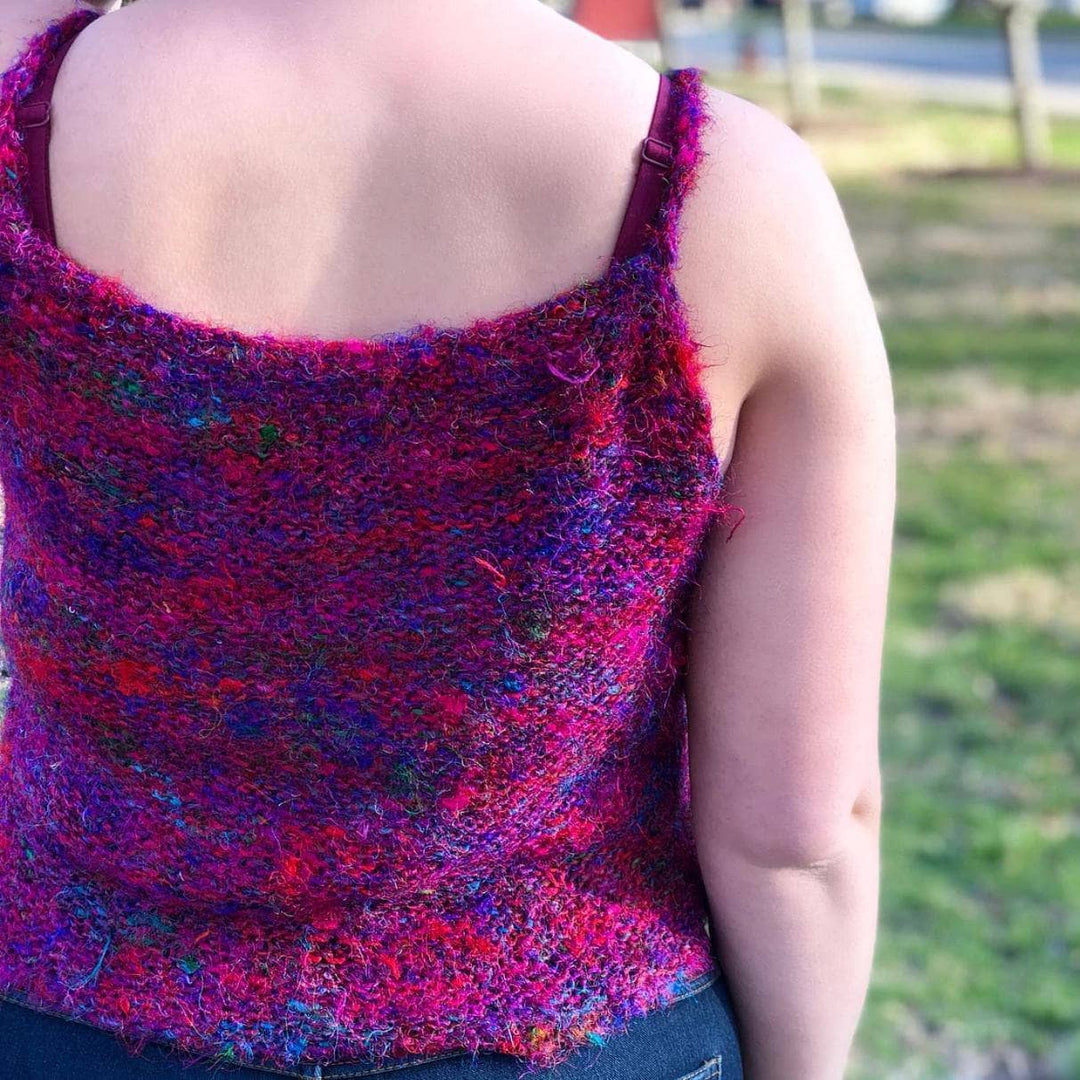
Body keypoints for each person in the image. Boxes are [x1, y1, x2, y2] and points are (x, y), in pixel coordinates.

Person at [0, 1, 894, 1079]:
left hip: (67, 1016)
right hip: (574, 1037)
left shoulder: (32, 109)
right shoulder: (737, 200)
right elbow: (797, 827)